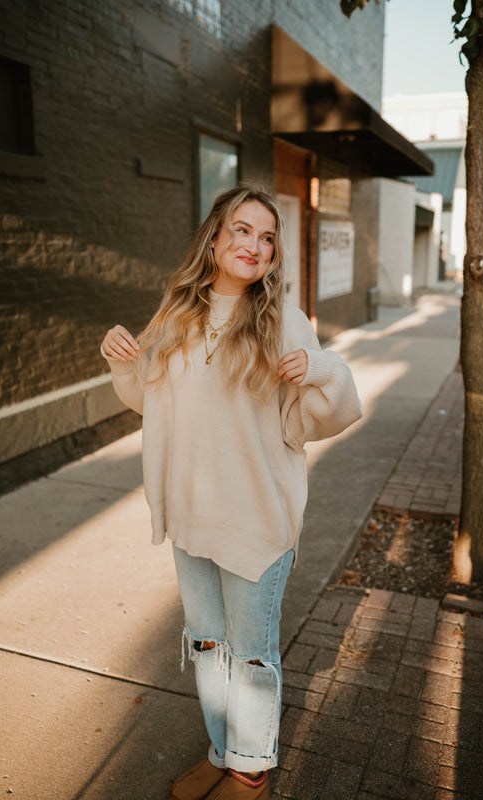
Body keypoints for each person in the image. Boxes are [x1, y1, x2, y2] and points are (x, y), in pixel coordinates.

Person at [101, 183, 362, 800]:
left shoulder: (282, 320)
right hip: (190, 513)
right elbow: (149, 398)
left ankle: (251, 773)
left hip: (254, 520)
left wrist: (317, 370)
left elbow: (326, 416)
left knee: (249, 657)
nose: (254, 244)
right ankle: (223, 751)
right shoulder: (176, 312)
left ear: (273, 256)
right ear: (215, 238)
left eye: (267, 237)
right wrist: (121, 360)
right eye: (242, 230)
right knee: (210, 645)